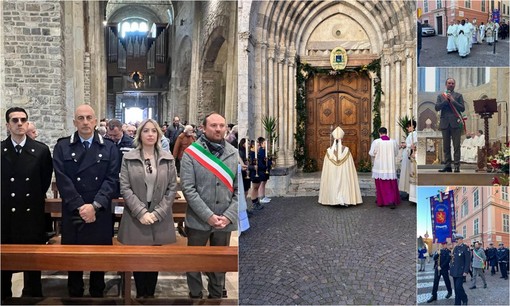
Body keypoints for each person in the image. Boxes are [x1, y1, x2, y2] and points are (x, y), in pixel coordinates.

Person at [53, 104, 120, 297]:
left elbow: (112, 179)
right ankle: (75, 294)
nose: (85, 122)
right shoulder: (62, 146)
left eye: (89, 118)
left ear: (95, 121)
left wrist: (95, 205)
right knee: (73, 260)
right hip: (74, 211)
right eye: (80, 118)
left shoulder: (109, 147)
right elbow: (62, 179)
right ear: (74, 122)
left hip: (99, 212)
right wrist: (80, 206)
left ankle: (97, 293)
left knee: (98, 260)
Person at [180, 112, 238, 299]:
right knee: (194, 262)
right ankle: (195, 294)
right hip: (199, 219)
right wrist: (209, 216)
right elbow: (188, 189)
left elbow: (238, 190)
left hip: (224, 221)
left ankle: (216, 295)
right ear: (203, 128)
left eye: (222, 125)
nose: (219, 129)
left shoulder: (233, 153)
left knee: (219, 264)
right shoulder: (191, 153)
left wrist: (228, 215)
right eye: (213, 125)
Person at [118, 119, 177, 298]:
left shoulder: (168, 158)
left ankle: (149, 294)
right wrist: (141, 212)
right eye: (146, 131)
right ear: (139, 135)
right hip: (136, 216)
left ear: (158, 134)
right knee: (138, 257)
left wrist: (158, 212)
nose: (150, 134)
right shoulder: (128, 157)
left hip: (159, 215)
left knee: (154, 258)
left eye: (153, 131)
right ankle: (139, 293)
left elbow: (172, 188)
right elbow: (125, 187)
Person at [1, 107, 53, 302]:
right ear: (8, 125)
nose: (19, 123)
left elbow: (44, 180)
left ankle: (33, 296)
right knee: (4, 260)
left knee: (33, 260)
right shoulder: (1, 150)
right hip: (5, 214)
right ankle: (4, 296)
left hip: (31, 214)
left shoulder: (40, 150)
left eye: (23, 119)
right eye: (15, 120)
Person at [318, 126, 362, 206]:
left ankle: (332, 199)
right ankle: (345, 199)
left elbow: (326, 167)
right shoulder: (346, 150)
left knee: (333, 181)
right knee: (344, 182)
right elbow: (350, 165)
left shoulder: (329, 151)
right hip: (344, 172)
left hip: (332, 172)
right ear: (342, 138)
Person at [435, 78, 465, 173]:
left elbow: (462, 108)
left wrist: (452, 101)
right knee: (446, 146)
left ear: (454, 85)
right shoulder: (441, 96)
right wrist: (446, 101)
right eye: (449, 83)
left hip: (455, 123)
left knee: (456, 146)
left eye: (452, 83)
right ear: (446, 84)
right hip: (445, 123)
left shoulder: (458, 95)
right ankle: (447, 166)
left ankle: (457, 166)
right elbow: (437, 107)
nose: (451, 84)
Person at [369, 127, 400, 208]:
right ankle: (391, 200)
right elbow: (396, 152)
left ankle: (381, 200)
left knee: (380, 184)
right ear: (387, 132)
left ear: (380, 133)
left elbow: (372, 153)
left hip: (380, 166)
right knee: (390, 184)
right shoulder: (393, 142)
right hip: (390, 166)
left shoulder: (376, 142)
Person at [398, 120, 417, 203]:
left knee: (409, 174)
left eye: (408, 126)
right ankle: (407, 192)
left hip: (410, 157)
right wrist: (405, 145)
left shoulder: (415, 134)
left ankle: (410, 193)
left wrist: (406, 145)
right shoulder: (410, 134)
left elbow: (415, 145)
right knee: (406, 174)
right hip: (407, 156)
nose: (407, 128)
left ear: (413, 126)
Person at [450, 233, 471, 305]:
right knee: (456, 288)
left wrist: (466, 271)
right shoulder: (455, 248)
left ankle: (465, 298)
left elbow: (467, 261)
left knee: (459, 287)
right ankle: (457, 303)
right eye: (456, 239)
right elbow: (453, 259)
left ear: (461, 240)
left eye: (457, 239)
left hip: (461, 271)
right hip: (454, 271)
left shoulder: (466, 248)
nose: (456, 241)